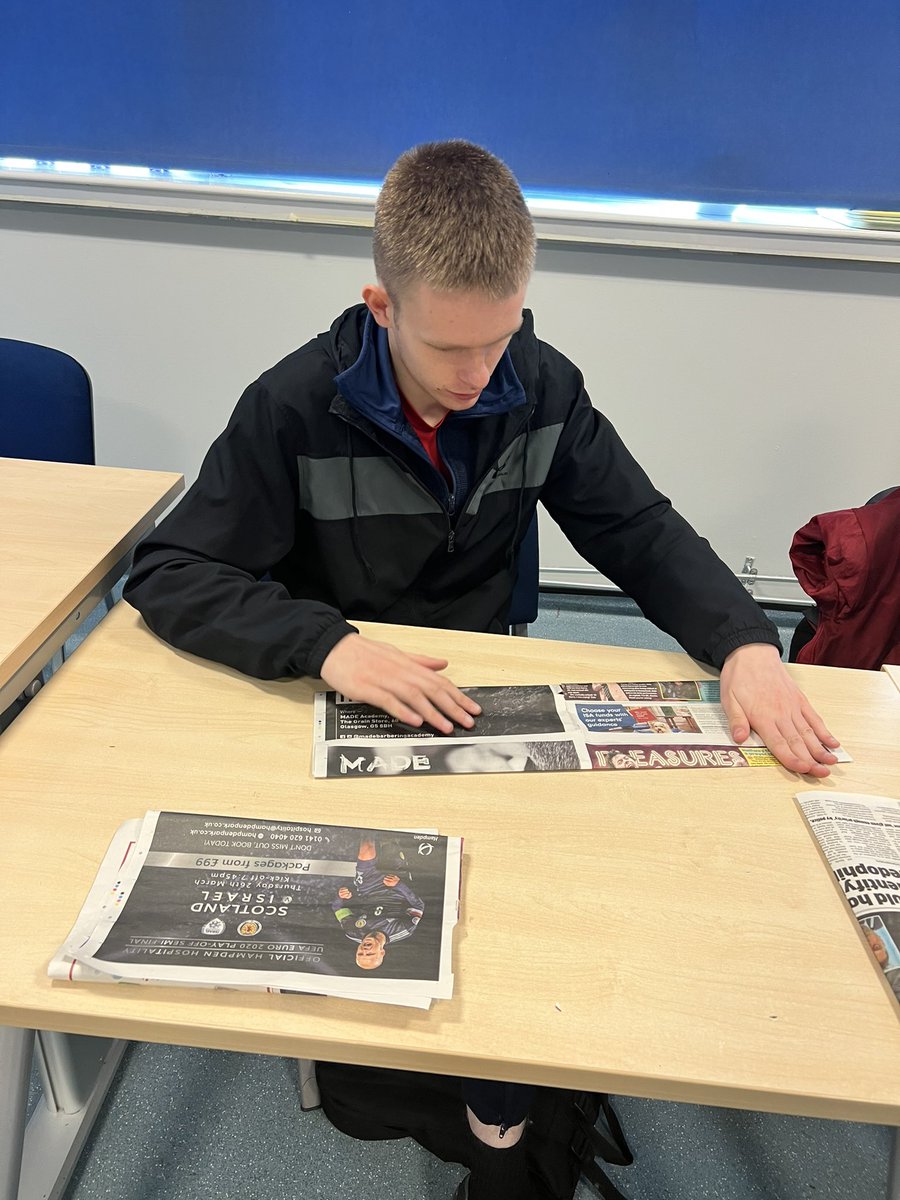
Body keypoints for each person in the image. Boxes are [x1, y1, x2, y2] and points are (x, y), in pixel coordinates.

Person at [124, 139, 841, 1198]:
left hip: (487, 687)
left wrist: (742, 643)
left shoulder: (536, 386)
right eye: (449, 349)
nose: (477, 380)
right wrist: (331, 646)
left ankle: (501, 1123)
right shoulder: (292, 406)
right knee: (385, 936)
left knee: (546, 922)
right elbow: (169, 569)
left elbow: (636, 529)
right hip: (344, 695)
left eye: (498, 341)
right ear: (382, 305)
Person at [332, 837, 424, 970]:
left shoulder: (352, 932)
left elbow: (337, 908)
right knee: (390, 843)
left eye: (360, 953)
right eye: (370, 953)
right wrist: (399, 885)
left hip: (368, 888)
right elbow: (418, 906)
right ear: (382, 952)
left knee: (366, 848)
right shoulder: (403, 931)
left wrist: (340, 896)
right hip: (395, 886)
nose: (365, 949)